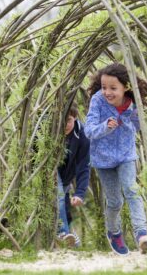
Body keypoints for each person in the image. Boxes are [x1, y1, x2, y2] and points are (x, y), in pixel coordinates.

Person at [84, 63, 147, 255]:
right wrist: (106, 126)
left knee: (132, 190)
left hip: (125, 155)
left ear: (126, 87)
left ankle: (141, 234)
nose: (107, 92)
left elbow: (138, 127)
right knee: (114, 202)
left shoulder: (133, 103)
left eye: (113, 88)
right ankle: (114, 233)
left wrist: (128, 120)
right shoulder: (97, 101)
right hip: (102, 159)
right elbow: (89, 130)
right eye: (104, 87)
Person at [57, 102, 90, 247]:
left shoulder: (82, 135)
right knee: (57, 195)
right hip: (48, 173)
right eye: (62, 121)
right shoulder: (46, 127)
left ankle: (71, 241)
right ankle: (63, 233)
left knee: (63, 207)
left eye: (68, 120)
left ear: (75, 117)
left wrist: (80, 193)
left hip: (66, 178)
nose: (65, 125)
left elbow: (83, 166)